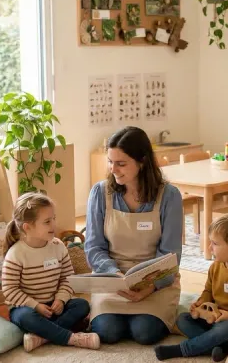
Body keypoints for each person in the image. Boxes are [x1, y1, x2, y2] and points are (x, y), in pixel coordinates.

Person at [85, 126, 184, 345]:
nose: (113, 169)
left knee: (145, 332)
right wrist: (114, 275)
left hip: (155, 281)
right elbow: (93, 247)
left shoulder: (170, 196)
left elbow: (171, 253)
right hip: (112, 280)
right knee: (108, 332)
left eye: (121, 163)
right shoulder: (100, 193)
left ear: (142, 162)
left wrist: (149, 285)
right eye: (110, 162)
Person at [154, 214, 228, 361]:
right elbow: (209, 290)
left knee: (226, 329)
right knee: (183, 319)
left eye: (215, 243)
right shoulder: (215, 267)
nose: (209, 247)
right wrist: (201, 302)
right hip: (216, 317)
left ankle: (184, 349)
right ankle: (222, 346)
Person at [2, 192, 99, 352]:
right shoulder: (16, 254)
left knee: (82, 305)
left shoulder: (58, 246)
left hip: (54, 307)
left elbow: (68, 279)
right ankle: (71, 338)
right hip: (28, 308)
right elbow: (9, 290)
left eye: (54, 218)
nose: (53, 225)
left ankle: (42, 336)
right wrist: (36, 306)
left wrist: (61, 300)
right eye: (47, 222)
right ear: (27, 227)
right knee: (25, 317)